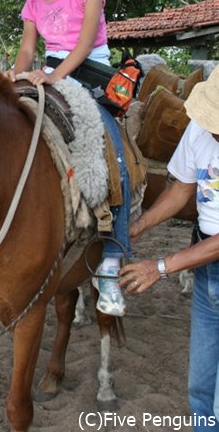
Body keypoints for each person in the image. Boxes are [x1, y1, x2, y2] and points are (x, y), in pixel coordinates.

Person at [10, 0, 132, 317]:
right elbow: (28, 50)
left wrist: (54, 75)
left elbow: (82, 45)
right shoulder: (32, 4)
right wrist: (17, 72)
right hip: (47, 74)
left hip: (89, 74)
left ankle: (114, 256)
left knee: (111, 149)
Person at [119, 65, 219, 431]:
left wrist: (159, 266)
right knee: (200, 389)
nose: (212, 128)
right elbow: (181, 189)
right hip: (207, 268)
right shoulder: (199, 128)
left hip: (209, 255)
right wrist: (140, 225)